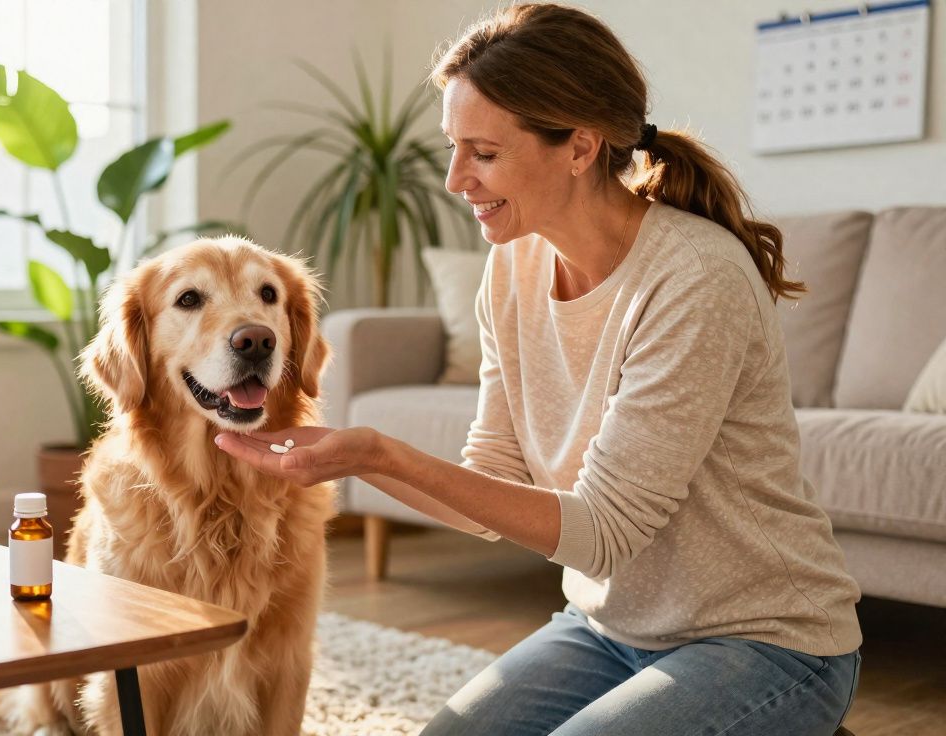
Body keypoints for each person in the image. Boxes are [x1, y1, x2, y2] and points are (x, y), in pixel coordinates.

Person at [215, 4, 862, 735]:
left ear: (580, 147)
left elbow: (602, 532)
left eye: (483, 153)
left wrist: (377, 450)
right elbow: (489, 486)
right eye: (453, 148)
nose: (457, 178)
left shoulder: (694, 278)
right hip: (608, 631)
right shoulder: (512, 267)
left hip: (765, 638)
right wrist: (350, 462)